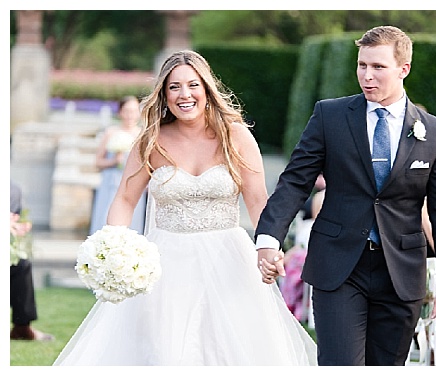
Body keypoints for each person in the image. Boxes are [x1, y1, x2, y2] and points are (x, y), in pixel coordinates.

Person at [53, 50, 317, 366]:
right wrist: (113, 248)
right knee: (165, 347)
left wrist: (269, 247)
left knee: (231, 348)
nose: (184, 94)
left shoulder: (236, 136)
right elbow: (124, 199)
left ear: (207, 88)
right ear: (164, 95)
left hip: (229, 257)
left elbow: (259, 200)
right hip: (167, 261)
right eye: (174, 87)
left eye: (193, 85)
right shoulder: (150, 140)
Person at [253, 26, 436, 366]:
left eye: (378, 67)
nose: (367, 76)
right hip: (338, 267)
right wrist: (268, 238)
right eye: (362, 65)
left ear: (403, 69)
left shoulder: (435, 132)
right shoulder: (330, 116)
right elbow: (295, 181)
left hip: (401, 274)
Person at [89, 95, 147, 235]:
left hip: (133, 184)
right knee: (106, 218)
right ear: (120, 112)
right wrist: (114, 161)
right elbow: (98, 162)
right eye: (126, 111)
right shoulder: (111, 133)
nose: (130, 115)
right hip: (111, 183)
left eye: (133, 111)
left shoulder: (143, 134)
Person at [10, 181, 54, 342]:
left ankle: (22, 327)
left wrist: (19, 227)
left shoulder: (13, 190)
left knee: (21, 264)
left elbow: (17, 219)